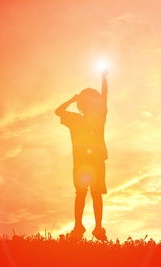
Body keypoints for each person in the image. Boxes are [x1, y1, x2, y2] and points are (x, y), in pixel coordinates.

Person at [55, 70, 109, 241]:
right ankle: (80, 226)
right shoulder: (76, 119)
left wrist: (103, 79)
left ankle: (97, 228)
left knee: (94, 194)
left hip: (94, 162)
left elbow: (104, 96)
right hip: (83, 164)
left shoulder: (98, 117)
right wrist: (73, 99)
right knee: (83, 194)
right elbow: (58, 111)